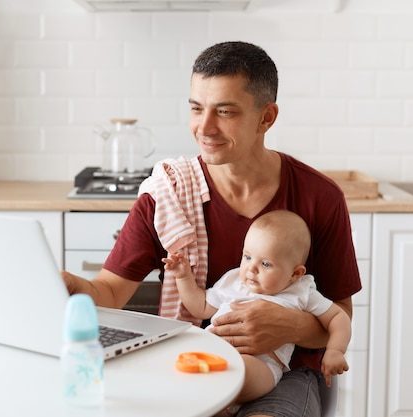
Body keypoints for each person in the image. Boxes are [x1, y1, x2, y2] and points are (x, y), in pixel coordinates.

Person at [61, 41, 362, 417]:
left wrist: (291, 327)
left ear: (266, 118)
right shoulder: (167, 194)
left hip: (284, 375)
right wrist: (70, 287)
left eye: (224, 111)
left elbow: (339, 314)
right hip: (192, 363)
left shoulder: (320, 197)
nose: (204, 127)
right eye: (196, 108)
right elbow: (107, 292)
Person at [163, 210, 351, 414]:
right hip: (212, 359)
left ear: (295, 273)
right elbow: (199, 306)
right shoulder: (233, 280)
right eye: (247, 256)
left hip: (261, 367)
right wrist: (183, 277)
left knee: (235, 368)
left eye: (266, 264)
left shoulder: (301, 291)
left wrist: (335, 351)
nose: (251, 269)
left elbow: (337, 316)